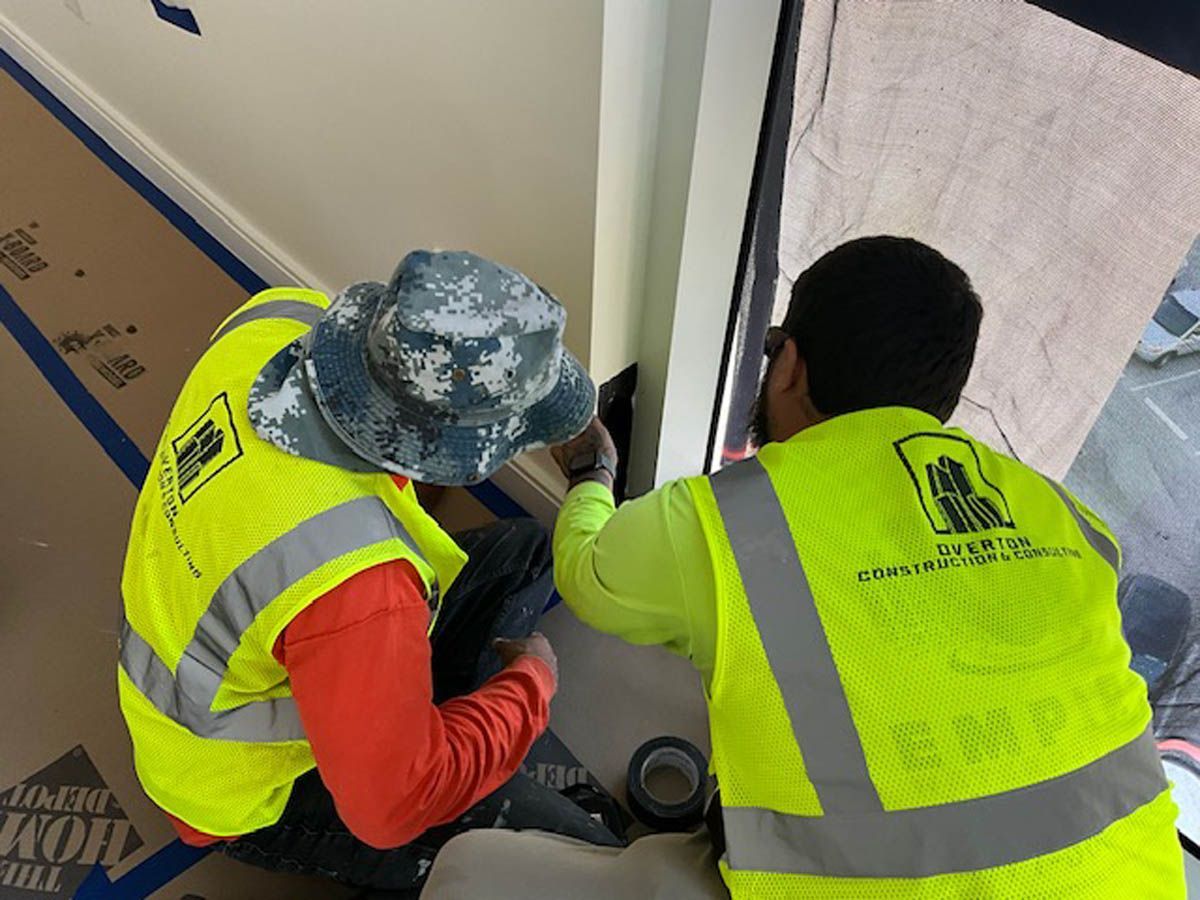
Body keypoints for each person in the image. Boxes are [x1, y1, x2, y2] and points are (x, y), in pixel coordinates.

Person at [424, 236, 1186, 898]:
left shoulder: (731, 520)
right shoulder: (1062, 513)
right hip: (1139, 881)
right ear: (941, 397)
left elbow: (589, 576)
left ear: (790, 366)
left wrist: (594, 472)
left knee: (466, 870)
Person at [117, 250, 620, 895]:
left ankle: (407, 722)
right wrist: (531, 687)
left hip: (219, 637)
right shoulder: (359, 582)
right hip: (232, 788)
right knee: (582, 858)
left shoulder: (275, 318)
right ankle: (412, 752)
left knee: (525, 551)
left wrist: (568, 432)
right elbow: (391, 808)